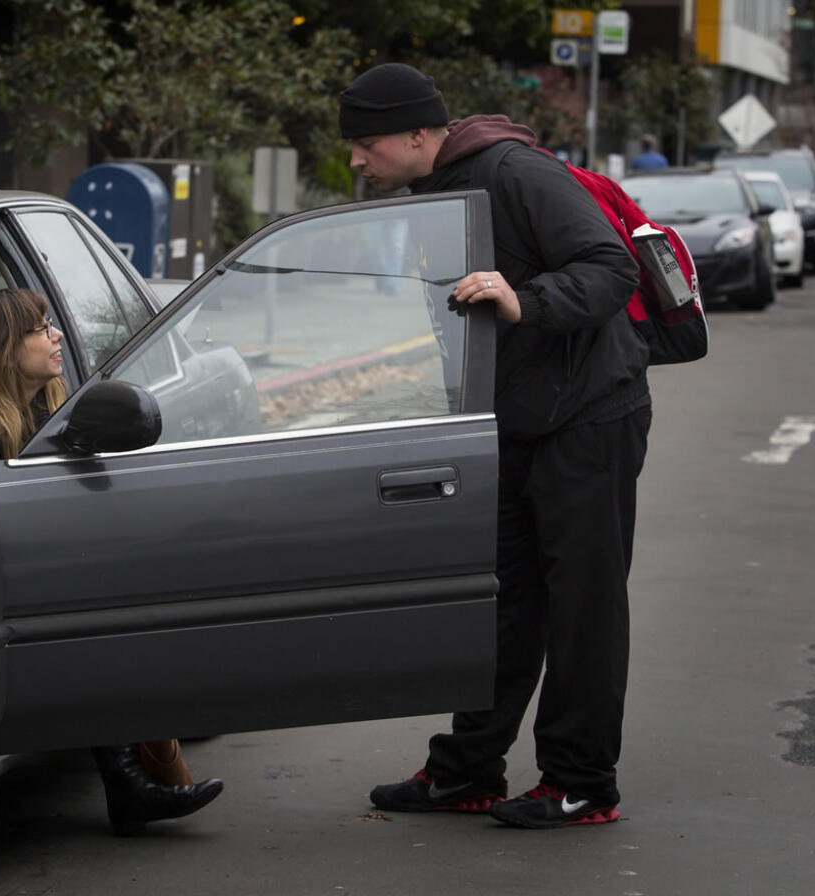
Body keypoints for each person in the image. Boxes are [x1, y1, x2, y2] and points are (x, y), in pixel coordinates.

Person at [339, 63, 651, 829]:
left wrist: (527, 300)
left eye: (366, 143)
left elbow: (613, 265)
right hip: (514, 419)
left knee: (582, 605)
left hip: (590, 414)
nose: (355, 159)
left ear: (419, 135)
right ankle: (467, 771)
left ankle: (580, 782)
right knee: (504, 604)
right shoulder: (436, 187)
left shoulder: (515, 171)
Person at [0, 286, 224, 835]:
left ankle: (140, 779)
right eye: (41, 328)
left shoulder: (58, 410)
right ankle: (138, 782)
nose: (57, 334)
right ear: (2, 350)